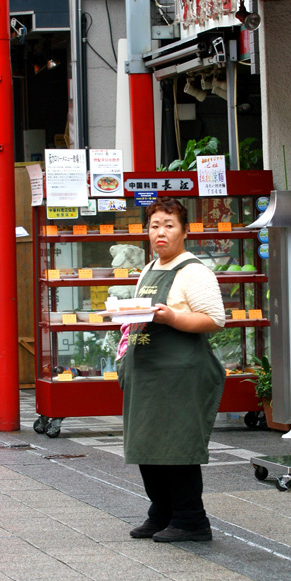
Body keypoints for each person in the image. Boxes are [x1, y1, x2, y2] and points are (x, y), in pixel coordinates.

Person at [117, 197, 225, 543]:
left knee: (177, 448)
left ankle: (191, 519)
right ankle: (161, 511)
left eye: (169, 225)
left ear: (184, 231)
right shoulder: (149, 269)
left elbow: (214, 320)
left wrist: (172, 317)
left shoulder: (194, 271)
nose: (160, 233)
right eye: (154, 226)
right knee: (147, 445)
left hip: (179, 375)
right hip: (148, 374)